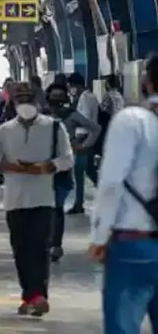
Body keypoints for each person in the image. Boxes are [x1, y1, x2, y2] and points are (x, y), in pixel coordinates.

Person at [0, 82, 74, 316]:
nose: (25, 104)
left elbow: (68, 158)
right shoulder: (4, 131)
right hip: (14, 200)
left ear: (37, 102)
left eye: (28, 99)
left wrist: (48, 167)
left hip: (43, 199)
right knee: (21, 249)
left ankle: (39, 295)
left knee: (39, 247)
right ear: (14, 103)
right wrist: (9, 166)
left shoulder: (54, 128)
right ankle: (29, 295)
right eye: (20, 100)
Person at [89, 55, 158, 333]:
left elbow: (111, 182)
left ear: (147, 82)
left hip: (135, 243)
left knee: (123, 326)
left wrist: (99, 237)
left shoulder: (132, 120)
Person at [45, 83, 100, 262]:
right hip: (42, 167)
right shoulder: (41, 116)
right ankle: (48, 243)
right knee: (46, 208)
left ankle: (55, 244)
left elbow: (95, 128)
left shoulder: (69, 116)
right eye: (54, 98)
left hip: (61, 166)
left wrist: (82, 146)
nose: (57, 102)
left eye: (60, 98)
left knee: (57, 207)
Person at [67, 72, 100, 215]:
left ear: (77, 85)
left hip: (83, 137)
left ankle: (78, 204)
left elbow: (84, 118)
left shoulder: (85, 98)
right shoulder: (90, 96)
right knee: (89, 170)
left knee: (79, 172)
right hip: (88, 136)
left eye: (71, 86)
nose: (71, 89)